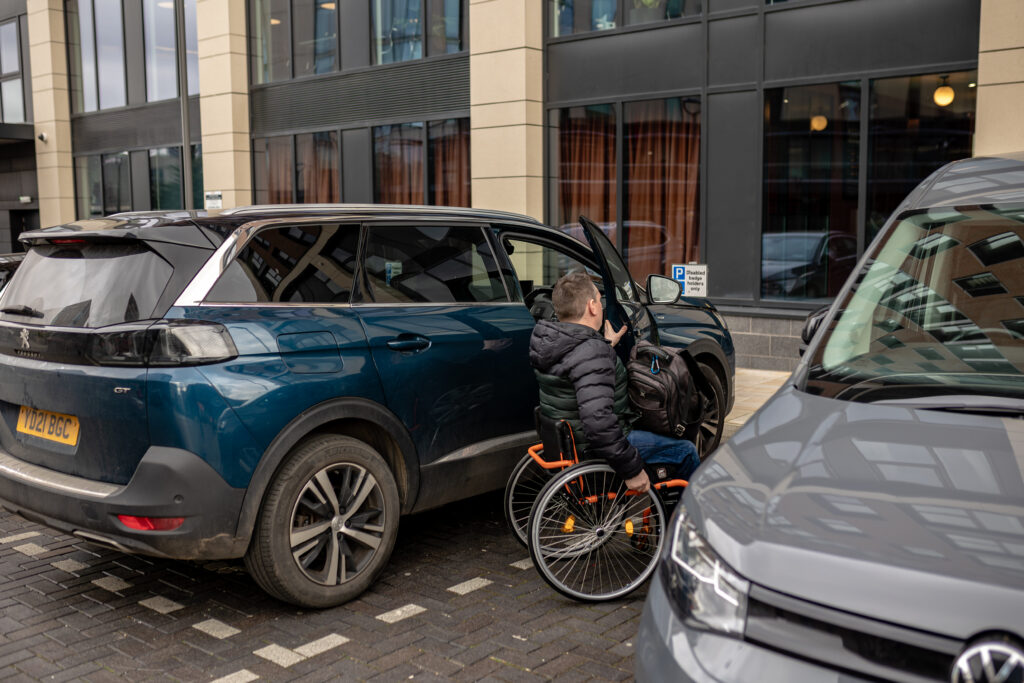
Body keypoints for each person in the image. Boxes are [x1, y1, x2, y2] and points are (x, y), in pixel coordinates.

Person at [529, 271, 700, 493]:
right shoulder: (592, 353)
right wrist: (631, 469)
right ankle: (686, 513)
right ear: (592, 306)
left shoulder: (550, 342)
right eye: (599, 301)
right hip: (594, 449)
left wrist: (605, 344)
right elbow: (598, 423)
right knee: (685, 451)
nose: (601, 306)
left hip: (569, 444)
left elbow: (575, 368)